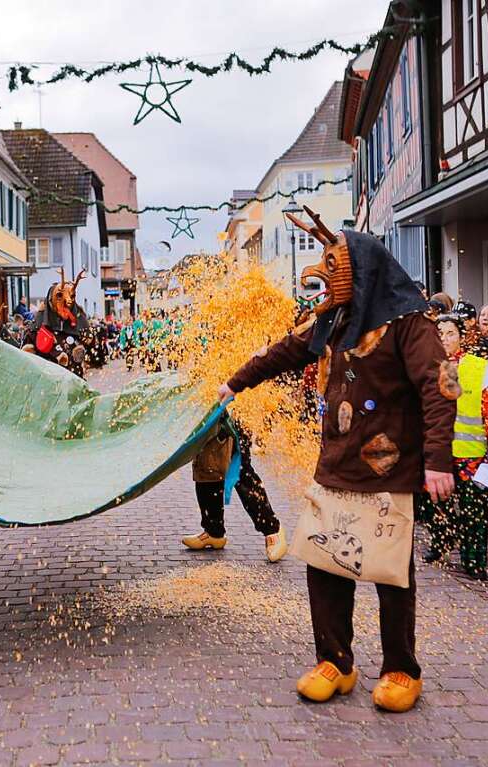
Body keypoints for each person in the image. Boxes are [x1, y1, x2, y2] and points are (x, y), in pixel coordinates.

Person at [218, 211, 455, 713]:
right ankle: (336, 660)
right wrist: (236, 381)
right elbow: (284, 351)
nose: (323, 276)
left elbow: (441, 388)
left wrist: (438, 460)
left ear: (362, 271)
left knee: (392, 573)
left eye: (334, 265)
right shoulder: (336, 319)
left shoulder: (409, 323)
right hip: (336, 468)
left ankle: (400, 669)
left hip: (390, 473)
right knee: (326, 564)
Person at [423, 316, 488, 579]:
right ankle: (442, 544)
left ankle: (475, 560)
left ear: (462, 337)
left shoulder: (479, 368)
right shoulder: (425, 368)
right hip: (438, 456)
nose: (446, 339)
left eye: (451, 333)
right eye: (441, 333)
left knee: (474, 511)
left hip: (471, 456)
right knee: (435, 506)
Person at [182, 415, 287, 562]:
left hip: (236, 410)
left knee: (239, 471)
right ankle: (213, 531)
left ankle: (272, 529)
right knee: (206, 466)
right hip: (208, 410)